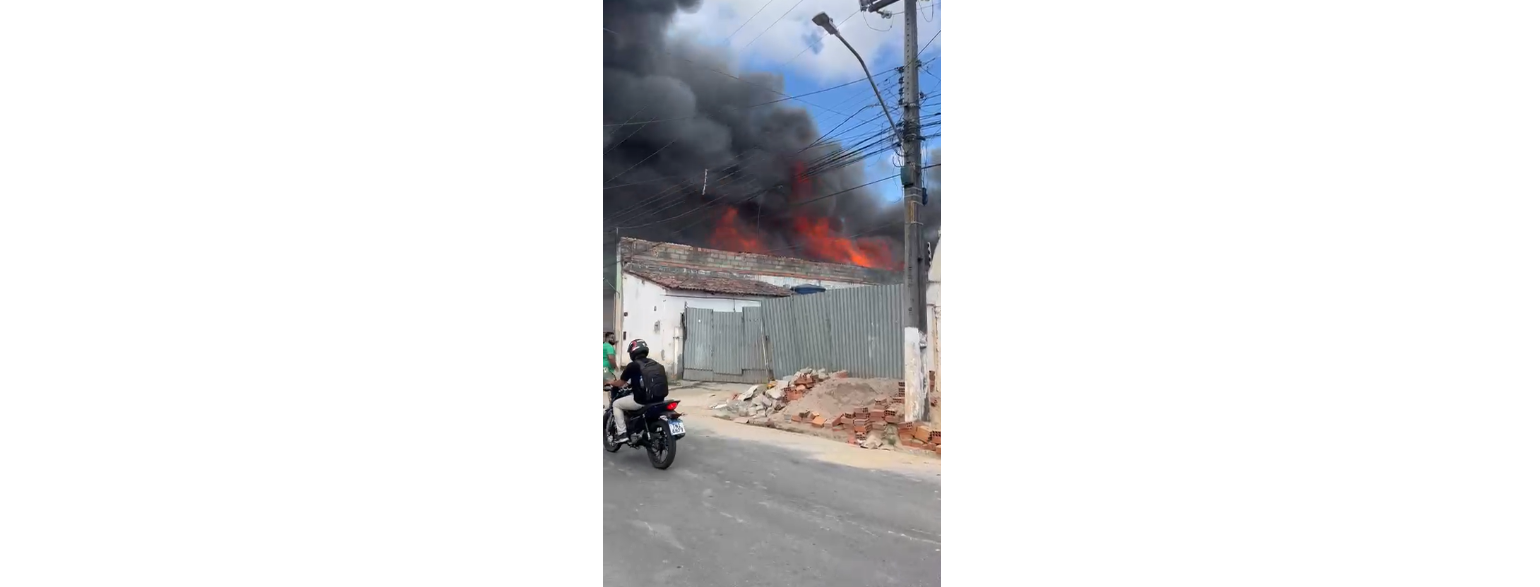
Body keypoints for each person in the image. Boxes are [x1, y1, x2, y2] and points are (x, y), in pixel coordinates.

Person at [606, 339, 669, 442]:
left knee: (616, 404)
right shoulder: (655, 364)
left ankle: (622, 434)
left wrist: (611, 382)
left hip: (642, 401)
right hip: (659, 399)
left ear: (633, 352)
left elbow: (621, 383)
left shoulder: (633, 365)